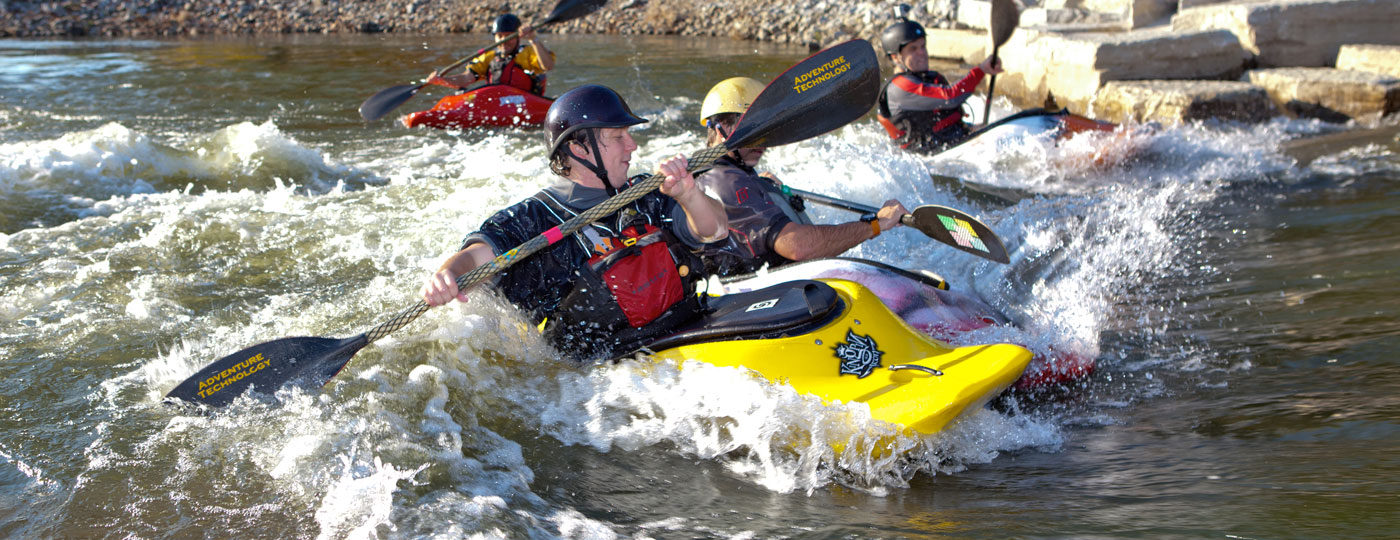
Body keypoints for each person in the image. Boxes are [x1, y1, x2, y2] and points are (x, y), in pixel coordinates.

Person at [420, 85, 728, 360]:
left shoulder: (648, 190)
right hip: (603, 374)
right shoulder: (534, 220)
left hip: (685, 327)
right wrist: (447, 275)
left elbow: (716, 230)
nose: (632, 145)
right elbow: (476, 258)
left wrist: (689, 193)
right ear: (580, 150)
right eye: (618, 136)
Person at [693, 77, 909, 276]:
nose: (765, 143)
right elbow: (798, 246)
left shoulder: (722, 171)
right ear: (723, 129)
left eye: (766, 132)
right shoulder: (726, 182)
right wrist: (876, 224)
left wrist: (761, 187)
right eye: (755, 133)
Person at [876, 19, 1004, 154]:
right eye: (913, 49)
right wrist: (981, 70)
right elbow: (950, 97)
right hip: (930, 157)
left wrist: (973, 129)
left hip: (951, 143)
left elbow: (943, 120)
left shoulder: (927, 78)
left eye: (923, 46)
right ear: (895, 57)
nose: (922, 53)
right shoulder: (900, 87)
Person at [426, 13, 556, 95]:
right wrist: (442, 80)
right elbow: (466, 79)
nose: (503, 41)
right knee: (461, 93)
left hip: (524, 103)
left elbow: (548, 66)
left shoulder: (528, 53)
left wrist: (534, 39)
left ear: (518, 37)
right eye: (499, 36)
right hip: (496, 104)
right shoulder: (488, 57)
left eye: (508, 36)